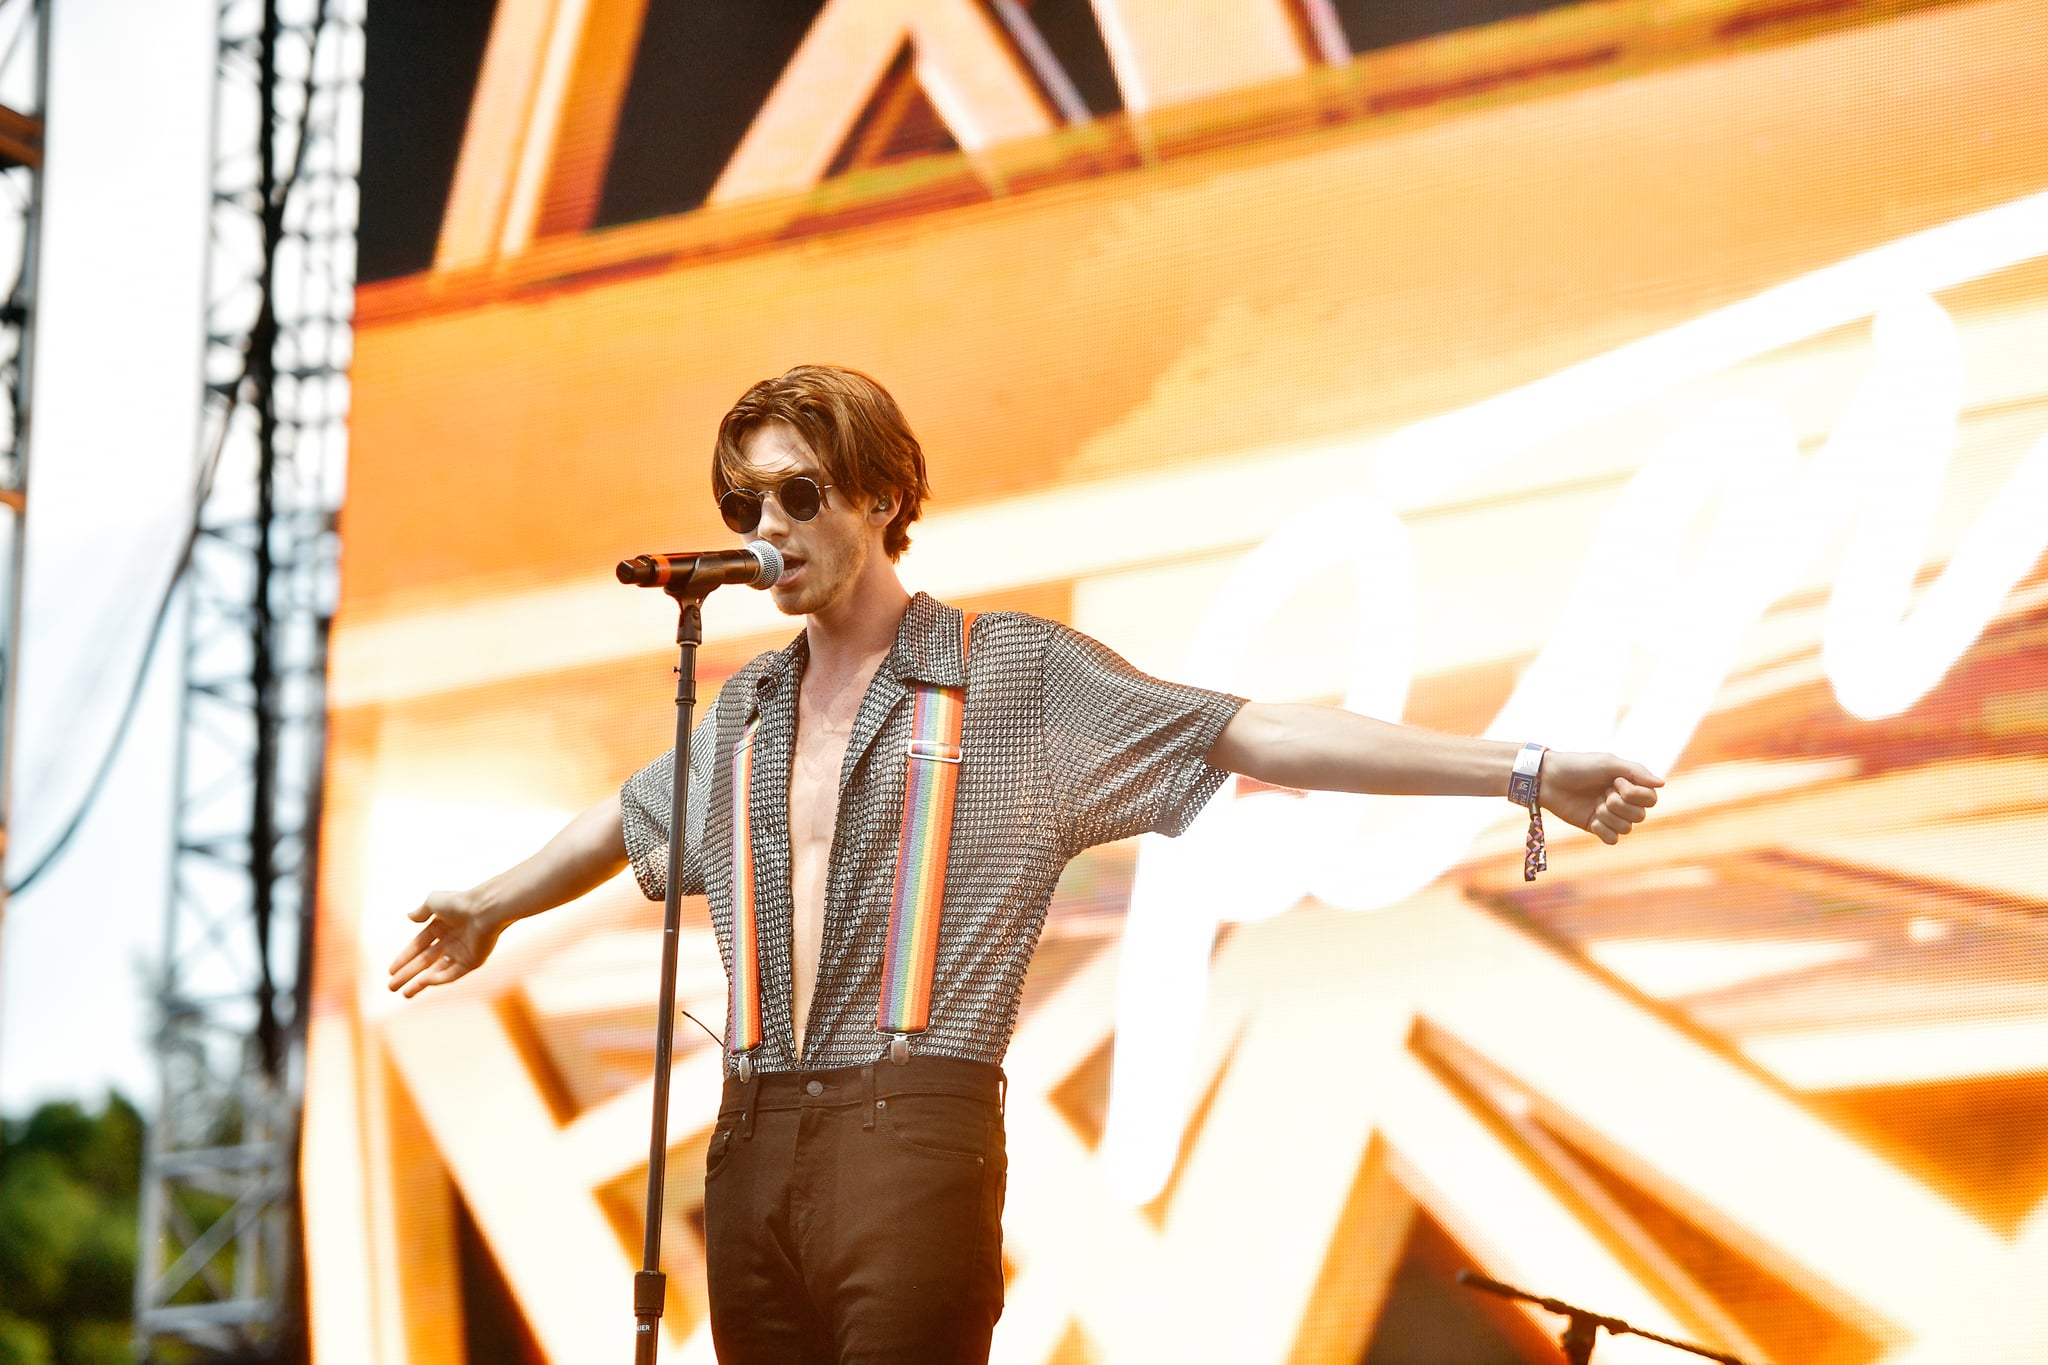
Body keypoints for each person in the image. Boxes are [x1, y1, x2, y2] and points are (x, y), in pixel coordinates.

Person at [387, 364, 1663, 1364]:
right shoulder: (744, 709)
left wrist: (1516, 767)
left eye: (795, 495)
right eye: (742, 507)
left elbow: (1252, 727)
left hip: (912, 1129)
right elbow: (626, 814)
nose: (764, 527)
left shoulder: (1013, 676)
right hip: (754, 1136)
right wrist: (494, 902)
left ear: (880, 497)